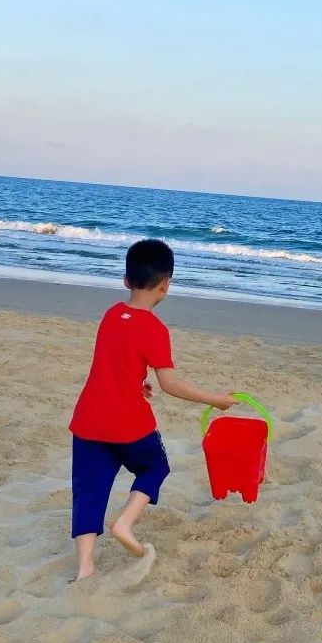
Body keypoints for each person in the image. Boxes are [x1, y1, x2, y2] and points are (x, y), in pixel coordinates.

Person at [68, 238, 235, 580]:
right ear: (165, 285)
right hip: (128, 423)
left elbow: (114, 363)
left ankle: (85, 568)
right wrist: (215, 399)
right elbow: (170, 384)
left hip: (88, 420)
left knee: (88, 490)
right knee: (155, 468)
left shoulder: (112, 314)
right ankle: (125, 524)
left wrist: (134, 381)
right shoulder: (155, 328)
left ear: (126, 280)